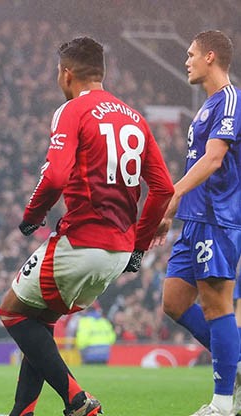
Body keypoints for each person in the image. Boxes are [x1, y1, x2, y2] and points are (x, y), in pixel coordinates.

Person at [0, 37, 174, 416]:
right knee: (40, 320)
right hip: (118, 252)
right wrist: (139, 247)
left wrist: (32, 216)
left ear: (66, 73)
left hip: (81, 241)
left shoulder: (72, 110)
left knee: (12, 312)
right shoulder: (135, 118)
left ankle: (77, 400)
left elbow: (55, 176)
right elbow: (163, 188)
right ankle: (22, 412)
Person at [152, 30, 241, 416]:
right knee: (173, 301)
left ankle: (222, 404)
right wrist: (176, 208)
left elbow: (214, 159)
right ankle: (236, 360)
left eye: (191, 54)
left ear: (210, 57)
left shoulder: (231, 100)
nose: (186, 61)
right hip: (194, 218)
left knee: (216, 306)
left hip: (218, 218)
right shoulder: (207, 106)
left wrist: (173, 193)